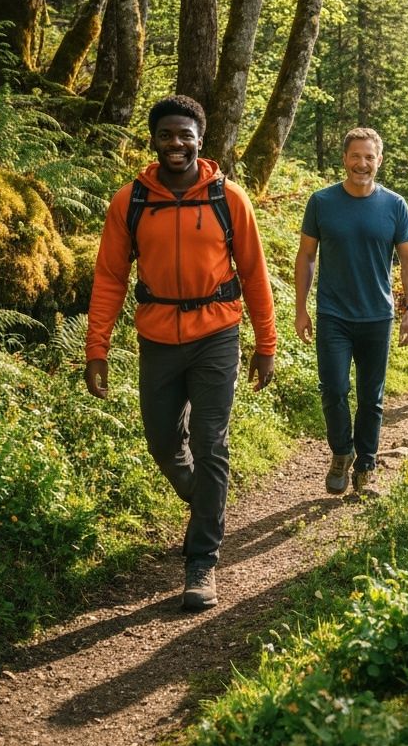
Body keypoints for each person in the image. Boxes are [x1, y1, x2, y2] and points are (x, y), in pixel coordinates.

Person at [85, 95, 277, 610]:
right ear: (153, 139)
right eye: (167, 134)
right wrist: (96, 348)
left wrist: (266, 343)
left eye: (185, 135)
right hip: (157, 337)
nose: (177, 144)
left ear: (200, 139)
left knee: (211, 442)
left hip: (217, 334)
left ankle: (201, 562)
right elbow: (110, 278)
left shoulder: (228, 198)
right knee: (162, 440)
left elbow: (255, 275)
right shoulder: (130, 201)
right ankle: (207, 505)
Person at [295, 127, 408, 496]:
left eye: (369, 157)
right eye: (355, 156)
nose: (361, 164)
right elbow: (306, 256)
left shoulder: (395, 205)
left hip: (377, 317)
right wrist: (300, 308)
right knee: (333, 389)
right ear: (345, 159)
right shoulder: (322, 202)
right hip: (333, 314)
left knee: (371, 396)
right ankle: (341, 452)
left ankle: (366, 463)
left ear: (378, 161)